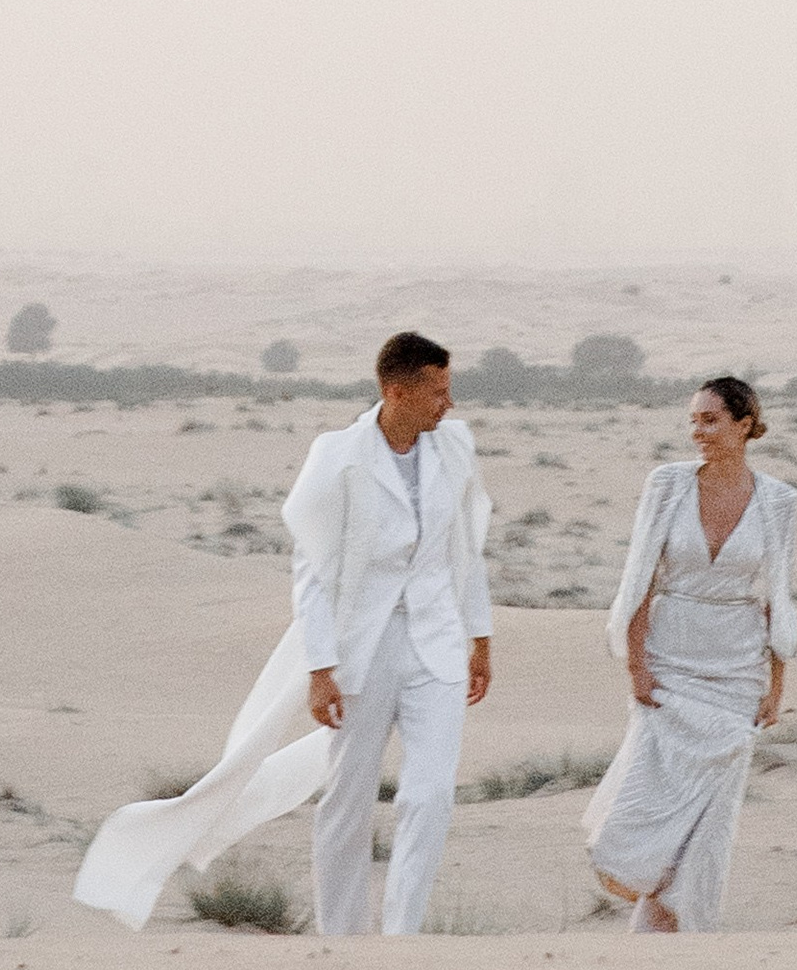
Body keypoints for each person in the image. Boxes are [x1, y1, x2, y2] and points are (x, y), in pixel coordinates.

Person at [74, 331, 493, 934]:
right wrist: (321, 669)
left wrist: (481, 639)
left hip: (437, 647)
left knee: (430, 797)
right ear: (395, 392)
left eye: (450, 391)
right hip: (362, 651)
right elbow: (314, 573)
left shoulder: (455, 446)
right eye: (437, 392)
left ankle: (404, 938)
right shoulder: (339, 456)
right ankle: (341, 936)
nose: (448, 404)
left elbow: (465, 550)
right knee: (348, 799)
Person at [581, 375, 797, 932]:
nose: (697, 431)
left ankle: (681, 939)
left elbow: (776, 597)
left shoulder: (778, 501)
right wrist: (636, 666)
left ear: (745, 426)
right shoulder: (668, 484)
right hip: (669, 661)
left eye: (710, 420)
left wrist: (775, 687)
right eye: (693, 421)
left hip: (737, 670)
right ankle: (651, 906)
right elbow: (639, 580)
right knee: (643, 801)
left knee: (711, 818)